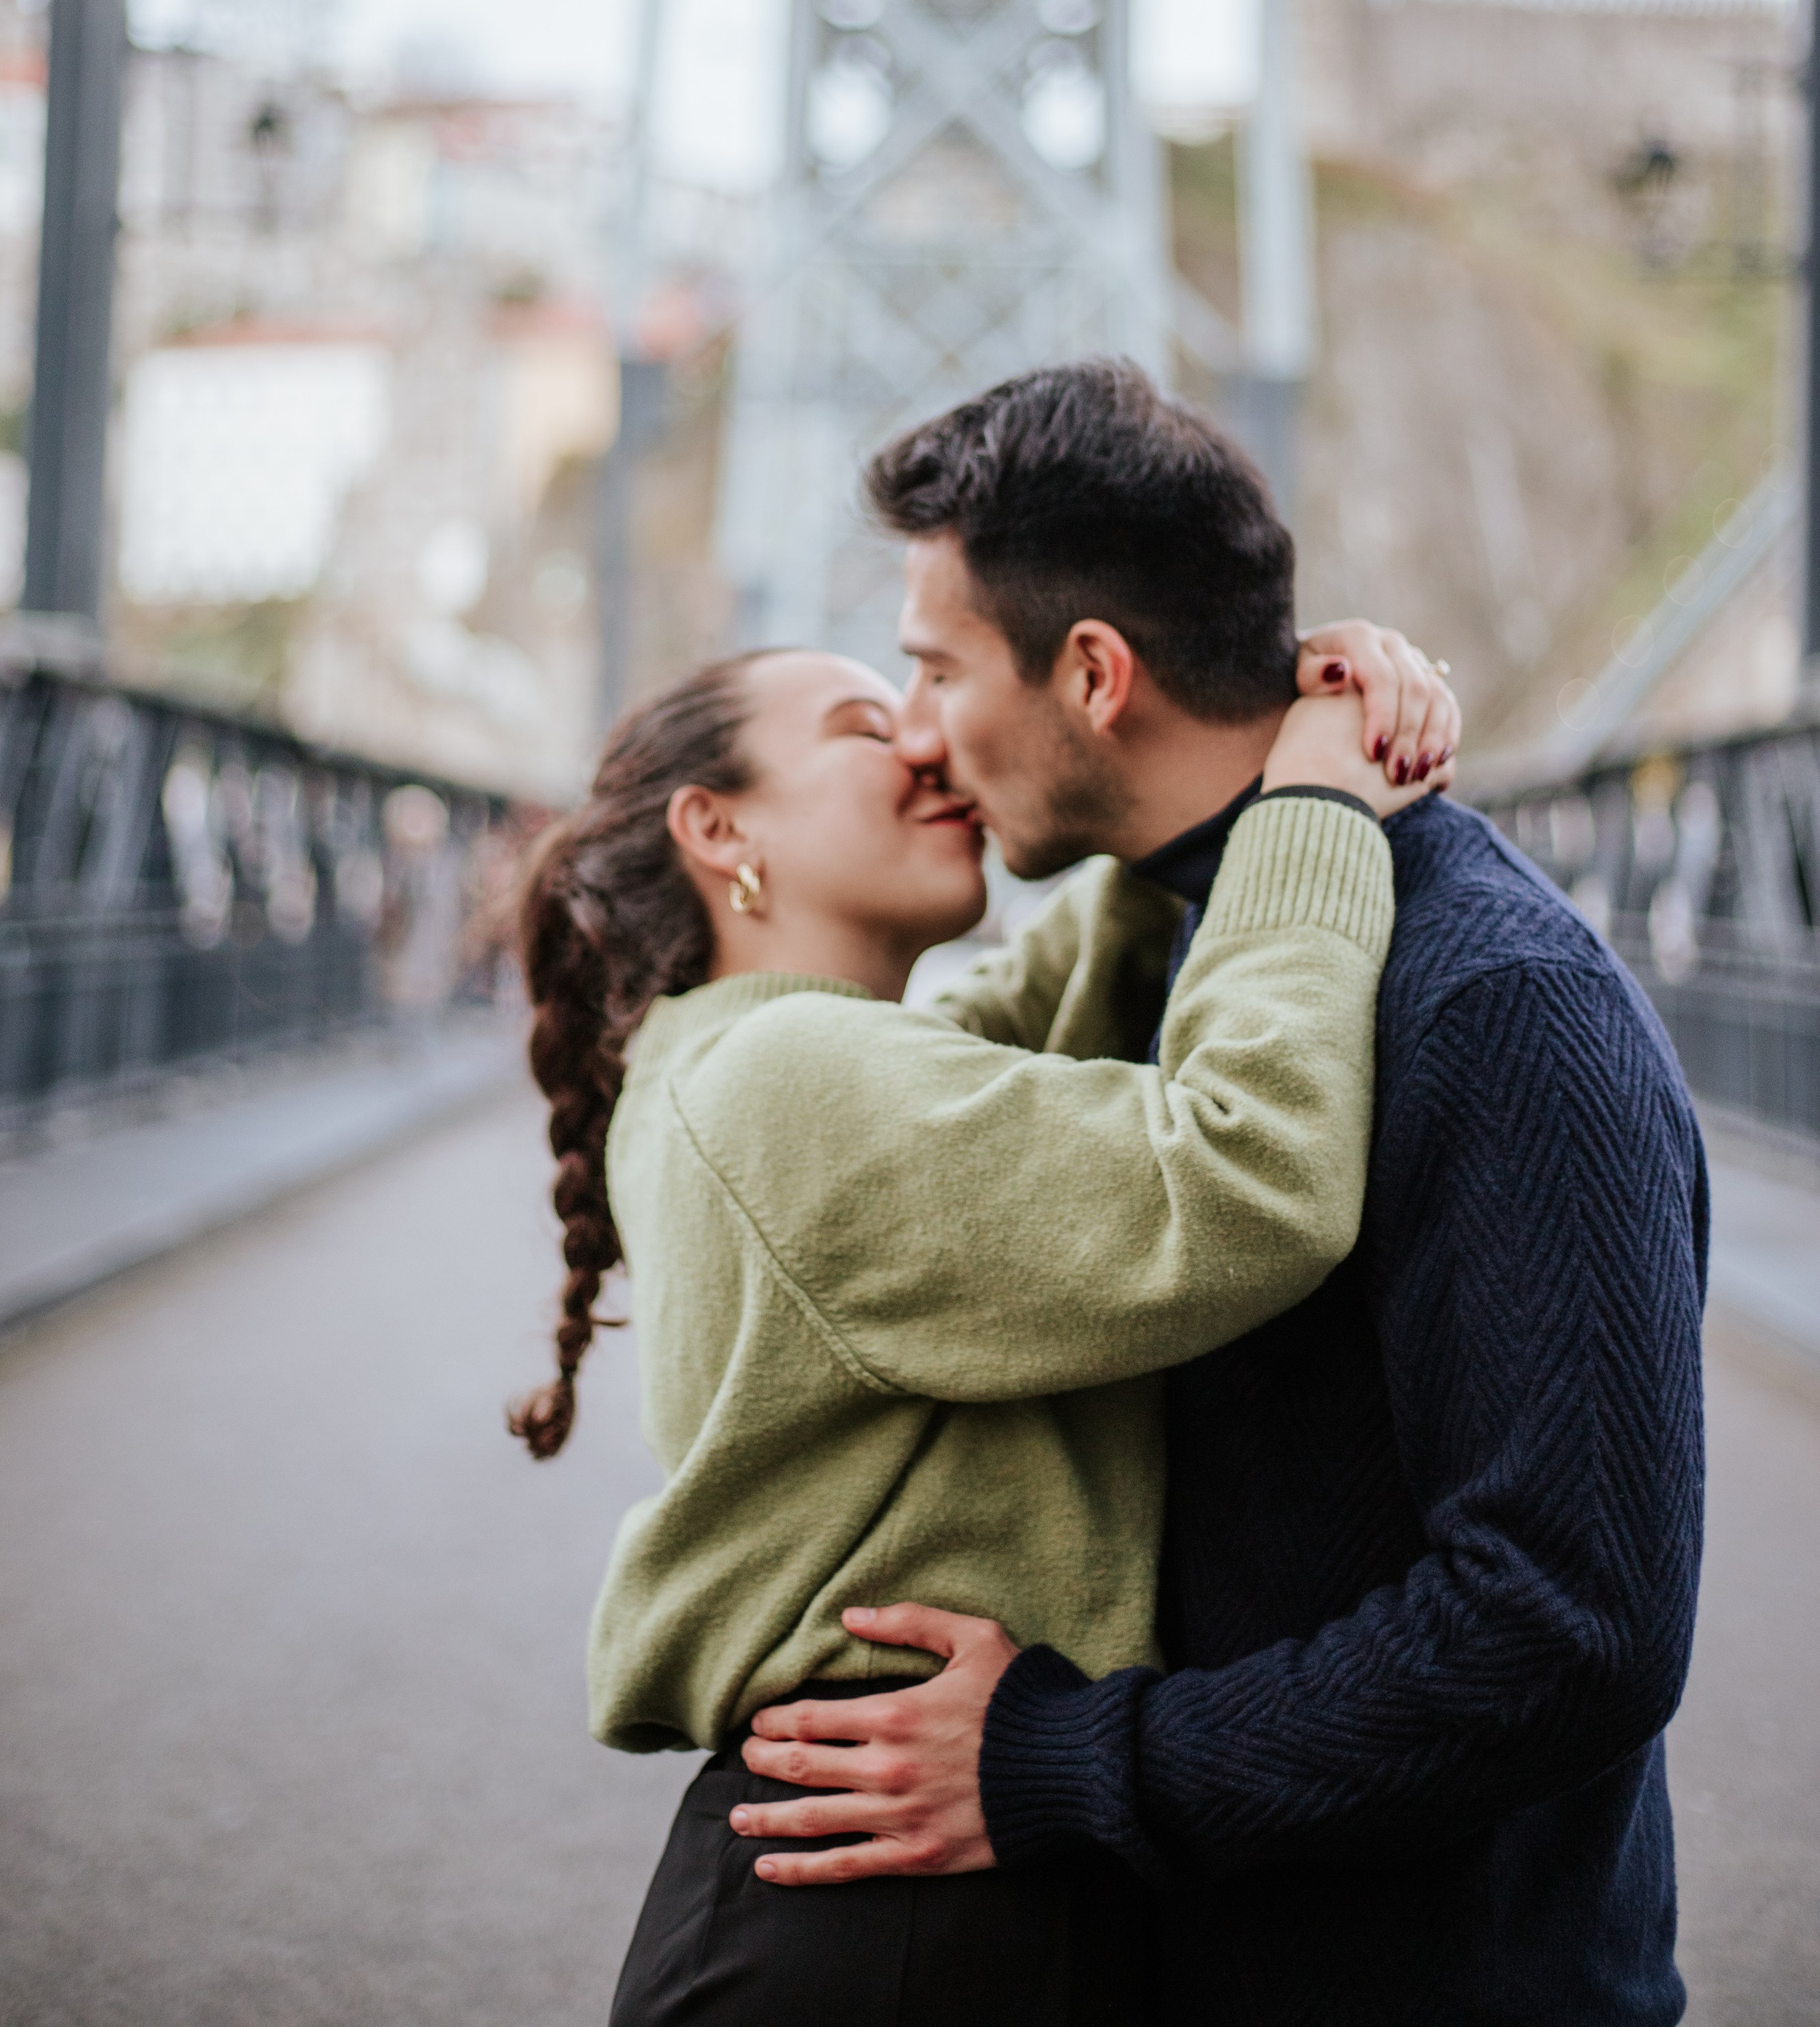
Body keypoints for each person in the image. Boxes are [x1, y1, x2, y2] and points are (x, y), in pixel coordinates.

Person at [735, 359, 1709, 2027]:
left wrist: (1059, 1762)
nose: (915, 728)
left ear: (1094, 674)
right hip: (1194, 1953)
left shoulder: (1493, 1007)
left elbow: (1571, 1625)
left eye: (933, 666)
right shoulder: (1184, 932)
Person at [509, 637, 1435, 2026]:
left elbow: (1060, 991)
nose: (930, 745)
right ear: (718, 827)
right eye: (866, 724)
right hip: (887, 1925)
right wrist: (1312, 808)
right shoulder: (788, 1082)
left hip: (883, 1884)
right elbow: (1243, 1174)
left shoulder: (754, 1057)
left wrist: (1201, 729)